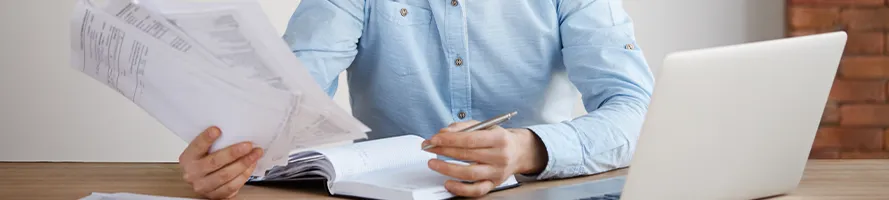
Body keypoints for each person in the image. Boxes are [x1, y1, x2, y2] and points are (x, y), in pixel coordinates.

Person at [177, 0, 654, 199]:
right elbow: (286, 101)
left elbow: (639, 110)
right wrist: (234, 154)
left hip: (533, 191)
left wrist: (530, 149)